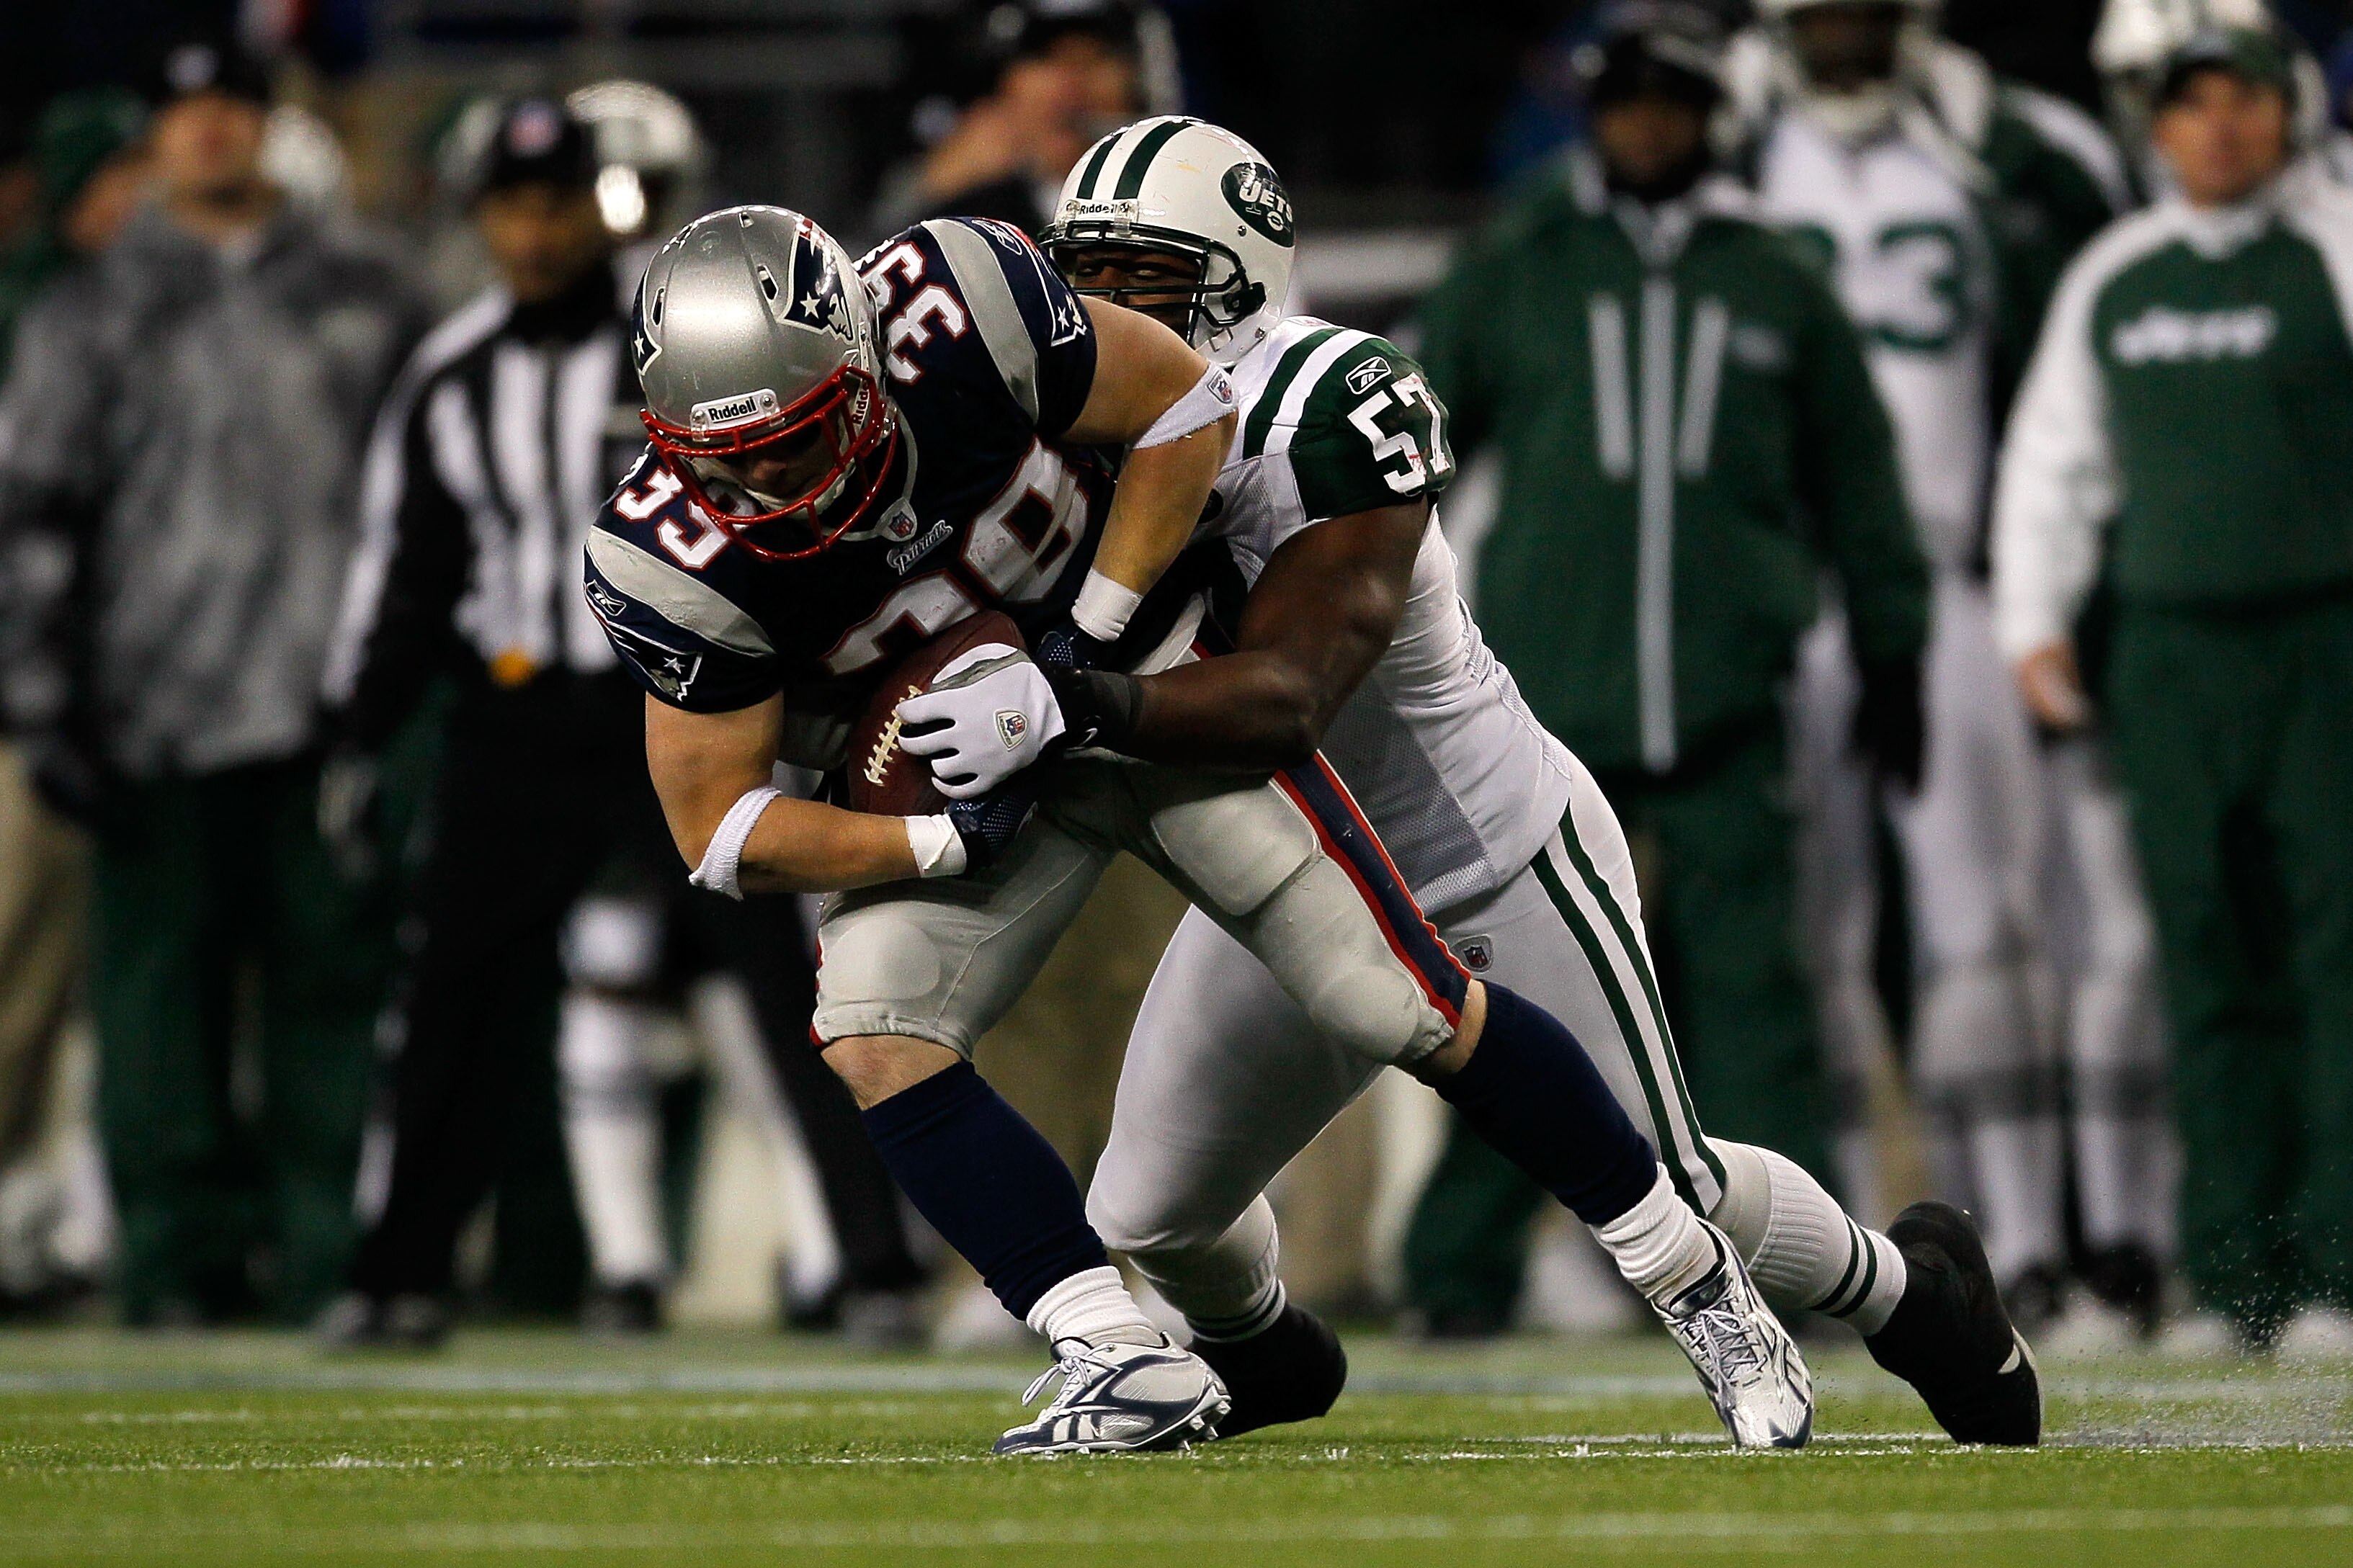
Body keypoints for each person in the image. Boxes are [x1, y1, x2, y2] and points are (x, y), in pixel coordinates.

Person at [589, 199, 1813, 1453]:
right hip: (955, 775)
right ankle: (1116, 1353)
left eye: (787, 446)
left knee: (1400, 998)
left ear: (862, 364)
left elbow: (1182, 407)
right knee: (872, 1026)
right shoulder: (662, 558)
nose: (753, 486)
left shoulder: (964, 302)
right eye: (714, 457)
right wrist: (939, 844)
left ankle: (1695, 1282)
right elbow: (724, 828)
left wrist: (1083, 650)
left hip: (1141, 682)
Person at [1041, 100, 2038, 1446]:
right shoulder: (1048, 433)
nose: (1098, 307)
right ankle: (1271, 1359)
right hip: (1292, 870)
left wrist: (1067, 696)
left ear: (1236, 275)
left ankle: (1916, 1292)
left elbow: (1282, 699)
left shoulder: (1321, 400)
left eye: (1139, 277)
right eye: (1080, 272)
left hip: (1477, 851)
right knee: (1147, 1211)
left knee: (1663, 1182)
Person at [1403, 1, 1931, 1325]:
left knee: (1756, 1000)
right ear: (1594, 107)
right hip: (1548, 704)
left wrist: (1895, 645)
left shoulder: (1776, 274)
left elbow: (1858, 481)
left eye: (1670, 100)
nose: (1645, 122)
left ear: (1712, 111)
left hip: (1726, 696)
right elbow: (1397, 441)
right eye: (1625, 97)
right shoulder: (1521, 256)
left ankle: (1787, 1272)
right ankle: (1454, 1277)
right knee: (1518, 998)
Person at [0, 37, 429, 1326]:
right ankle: (175, 1262)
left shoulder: (370, 289)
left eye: (234, 107)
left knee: (324, 1002)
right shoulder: (91, 303)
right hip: (152, 707)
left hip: (327, 703)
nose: (211, 132)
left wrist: (407, 696)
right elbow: (33, 515)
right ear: (158, 131)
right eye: (186, 111)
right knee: (155, 1016)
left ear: (265, 123)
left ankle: (316, 1256)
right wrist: (43, 703)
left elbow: (428, 505)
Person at [1725, 0, 2130, 1315]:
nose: (1844, 36)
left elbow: (2085, 320)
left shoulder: (1999, 150)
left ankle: (2027, 1241)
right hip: (1788, 588)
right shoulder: (1735, 150)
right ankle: (1837, 1249)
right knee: (1813, 936)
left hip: (1955, 575)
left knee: (1990, 923)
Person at [1993, 24, 2353, 1353]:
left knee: (2334, 956)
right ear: (2158, 126)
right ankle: (2236, 1280)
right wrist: (2033, 621)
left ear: (2285, 113)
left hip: (2326, 644)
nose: (2215, 130)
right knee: (2201, 961)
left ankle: (2337, 1276)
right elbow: (2051, 467)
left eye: (2241, 103)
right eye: (2190, 106)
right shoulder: (2118, 274)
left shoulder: (2335, 247)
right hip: (2169, 657)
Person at [0, 87, 149, 1312]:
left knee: (119, 981)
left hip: (141, 695)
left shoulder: (147, 310)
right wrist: (40, 696)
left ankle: (72, 1223)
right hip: (28, 699)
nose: (135, 203)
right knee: (18, 972)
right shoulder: (34, 315)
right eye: (116, 178)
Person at [871, 0, 1174, 237]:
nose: (1071, 85)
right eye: (1047, 59)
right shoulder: (964, 212)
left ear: (1138, 86)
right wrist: (926, 193)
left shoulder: (1177, 204)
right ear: (1005, 88)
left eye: (1096, 58)